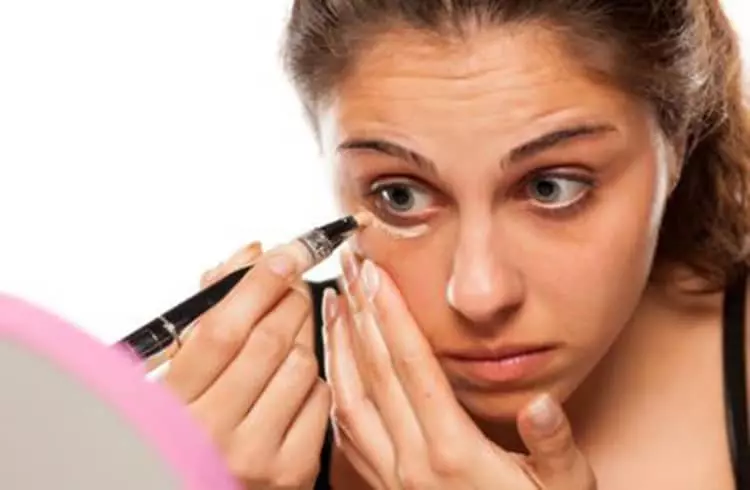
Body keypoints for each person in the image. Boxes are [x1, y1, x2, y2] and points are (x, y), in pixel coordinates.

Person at [162, 1, 750, 489]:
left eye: (552, 187)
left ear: (678, 142)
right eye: (400, 196)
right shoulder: (243, 420)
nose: (479, 293)